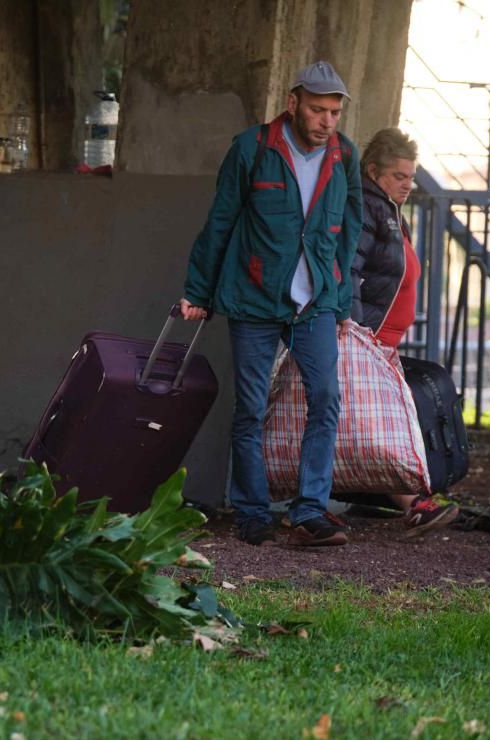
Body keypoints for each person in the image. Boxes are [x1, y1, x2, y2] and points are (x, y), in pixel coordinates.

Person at [180, 61, 362, 547]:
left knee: (326, 400)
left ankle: (308, 512)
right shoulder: (252, 148)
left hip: (317, 301)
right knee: (251, 408)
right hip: (254, 298)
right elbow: (220, 221)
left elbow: (350, 229)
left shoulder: (345, 154)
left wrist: (341, 301)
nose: (327, 121)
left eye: (335, 112)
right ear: (293, 104)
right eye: (319, 110)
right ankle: (252, 512)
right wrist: (198, 291)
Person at [350, 127, 460, 533]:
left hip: (383, 341)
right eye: (400, 176)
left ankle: (415, 503)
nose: (408, 185)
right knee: (386, 426)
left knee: (386, 423)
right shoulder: (367, 209)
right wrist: (356, 331)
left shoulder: (391, 211)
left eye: (412, 177)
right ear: (374, 172)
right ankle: (415, 504)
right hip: (368, 340)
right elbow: (351, 271)